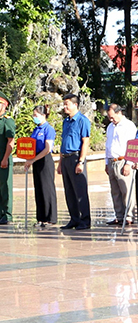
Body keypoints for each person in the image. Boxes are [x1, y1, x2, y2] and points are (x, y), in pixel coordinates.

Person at [59, 93, 93, 230]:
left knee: (80, 191)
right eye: (64, 104)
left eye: (67, 104)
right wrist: (60, 163)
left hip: (76, 157)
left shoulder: (82, 121)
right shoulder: (66, 121)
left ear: (75, 105)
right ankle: (74, 219)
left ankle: (85, 220)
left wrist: (81, 162)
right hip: (66, 158)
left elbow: (85, 142)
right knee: (69, 191)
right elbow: (63, 142)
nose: (65, 107)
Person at [24, 105, 58, 227]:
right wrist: (28, 160)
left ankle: (51, 218)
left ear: (43, 115)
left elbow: (47, 149)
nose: (34, 118)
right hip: (36, 160)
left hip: (45, 160)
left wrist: (33, 160)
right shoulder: (36, 129)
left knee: (47, 189)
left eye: (36, 115)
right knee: (38, 188)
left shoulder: (48, 129)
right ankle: (41, 218)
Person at [103, 104, 137, 227]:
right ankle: (119, 216)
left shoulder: (129, 126)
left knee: (126, 190)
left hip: (123, 161)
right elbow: (108, 145)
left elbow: (132, 146)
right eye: (109, 118)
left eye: (112, 117)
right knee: (115, 191)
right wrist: (107, 163)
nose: (111, 120)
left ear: (119, 113)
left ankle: (129, 216)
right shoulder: (110, 127)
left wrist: (129, 163)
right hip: (112, 161)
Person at [0, 92, 12, 225]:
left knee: (5, 188)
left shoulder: (7, 121)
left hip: (3, 159)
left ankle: (7, 215)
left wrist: (5, 159)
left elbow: (10, 142)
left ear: (4, 105)